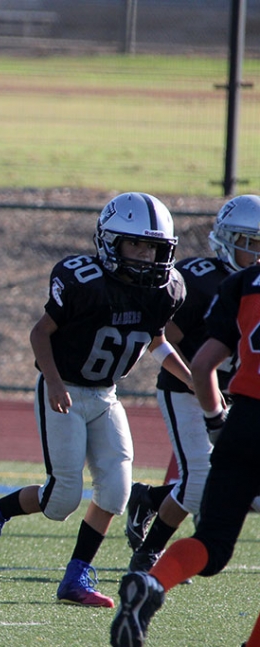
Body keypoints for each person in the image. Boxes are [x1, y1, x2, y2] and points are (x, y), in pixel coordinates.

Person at [0, 192, 190, 607]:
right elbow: (40, 333)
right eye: (134, 244)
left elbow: (156, 341)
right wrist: (52, 381)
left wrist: (191, 378)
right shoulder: (83, 281)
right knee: (61, 499)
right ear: (108, 242)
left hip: (106, 395)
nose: (144, 255)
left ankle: (75, 577)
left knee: (116, 492)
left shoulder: (165, 290)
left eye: (153, 247)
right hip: (64, 388)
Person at [111, 238, 260, 646]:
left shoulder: (243, 283)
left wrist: (216, 420)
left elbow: (202, 362)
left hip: (243, 419)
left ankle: (153, 584)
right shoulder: (209, 278)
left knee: (211, 544)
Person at [124, 195, 260, 574]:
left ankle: (150, 499)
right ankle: (148, 556)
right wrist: (193, 379)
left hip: (235, 395)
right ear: (228, 238)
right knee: (199, 479)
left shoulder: (254, 285)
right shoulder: (197, 279)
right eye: (252, 243)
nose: (258, 254)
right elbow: (159, 335)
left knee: (229, 485)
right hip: (184, 389)